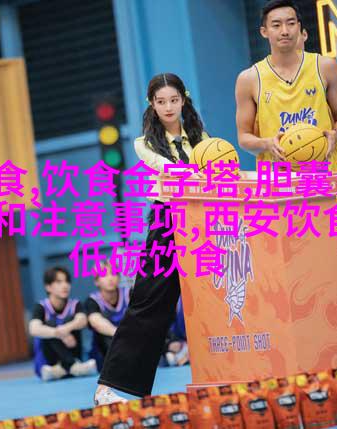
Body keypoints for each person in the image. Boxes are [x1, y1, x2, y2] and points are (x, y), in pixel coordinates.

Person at [235, 0, 337, 364]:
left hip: (324, 184)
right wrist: (265, 143)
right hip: (278, 191)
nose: (284, 30)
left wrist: (333, 134)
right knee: (286, 273)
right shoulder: (250, 79)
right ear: (264, 32)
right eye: (276, 24)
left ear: (301, 28)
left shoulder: (324, 66)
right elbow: (243, 136)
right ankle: (297, 352)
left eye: (290, 23)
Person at [93, 72, 209, 405]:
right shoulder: (143, 143)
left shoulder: (202, 138)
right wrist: (204, 169)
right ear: (152, 104)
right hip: (168, 222)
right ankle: (109, 389)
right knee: (148, 303)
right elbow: (171, 170)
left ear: (183, 100)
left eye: (174, 100)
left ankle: (225, 377)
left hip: (205, 220)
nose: (168, 107)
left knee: (220, 296)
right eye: (161, 101)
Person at [29, 266, 97, 381]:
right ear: (48, 287)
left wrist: (66, 328)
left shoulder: (75, 304)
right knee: (48, 325)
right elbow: (33, 329)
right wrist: (58, 333)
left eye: (67, 281)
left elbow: (82, 320)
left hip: (73, 350)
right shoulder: (41, 307)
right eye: (59, 282)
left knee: (71, 320)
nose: (65, 285)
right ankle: (72, 366)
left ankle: (63, 369)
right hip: (50, 361)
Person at [85, 261, 131, 371]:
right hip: (106, 349)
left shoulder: (129, 293)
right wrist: (121, 335)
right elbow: (96, 322)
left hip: (132, 341)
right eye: (104, 275)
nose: (110, 278)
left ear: (119, 278)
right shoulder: (92, 301)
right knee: (103, 327)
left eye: (113, 274)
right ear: (97, 281)